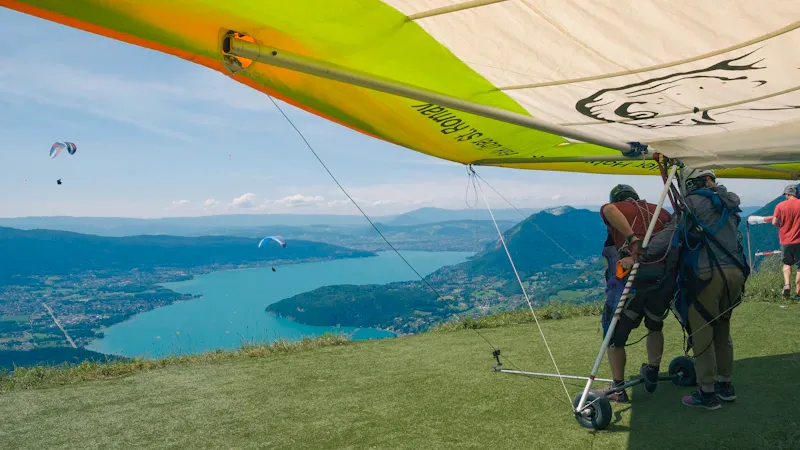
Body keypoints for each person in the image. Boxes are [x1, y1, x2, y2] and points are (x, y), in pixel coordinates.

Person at [647, 169, 749, 410]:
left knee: (702, 333)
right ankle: (725, 385)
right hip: (734, 275)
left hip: (707, 275)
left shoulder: (691, 202)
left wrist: (645, 251)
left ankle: (707, 392)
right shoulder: (729, 201)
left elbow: (672, 233)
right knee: (723, 330)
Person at [599, 184, 673, 402]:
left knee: (614, 337)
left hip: (631, 284)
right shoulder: (662, 212)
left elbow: (609, 210)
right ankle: (652, 370)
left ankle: (618, 388)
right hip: (661, 281)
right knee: (655, 325)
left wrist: (632, 239)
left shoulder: (616, 208)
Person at [772, 185, 800, 297]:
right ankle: (798, 293)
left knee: (787, 263)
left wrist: (782, 227)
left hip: (785, 240)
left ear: (788, 194)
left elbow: (774, 222)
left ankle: (787, 285)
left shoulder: (780, 206)